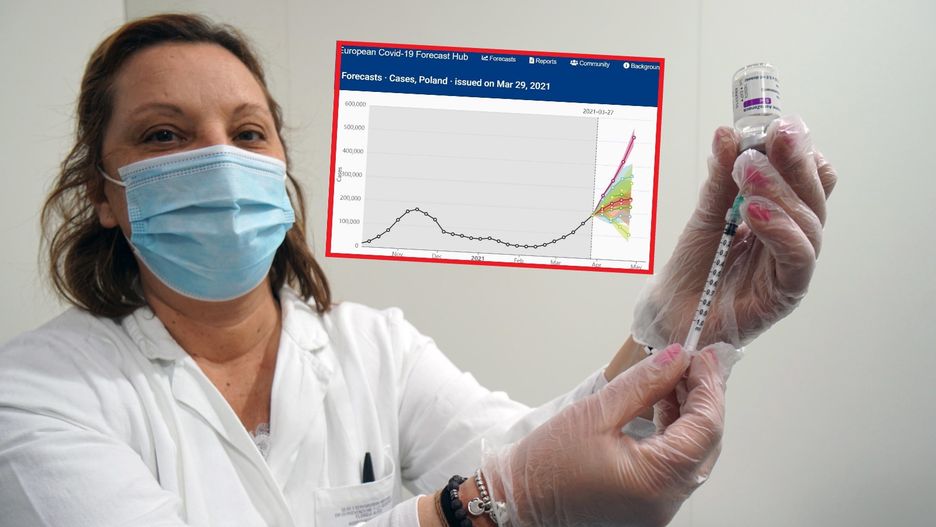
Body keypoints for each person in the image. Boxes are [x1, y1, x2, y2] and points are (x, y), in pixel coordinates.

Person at [0, 14, 835, 527]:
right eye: (163, 134)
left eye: (248, 133)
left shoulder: (374, 349)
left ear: (280, 167)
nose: (220, 159)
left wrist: (684, 324)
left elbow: (537, 456)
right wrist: (478, 509)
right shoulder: (37, 391)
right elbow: (519, 487)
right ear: (101, 192)